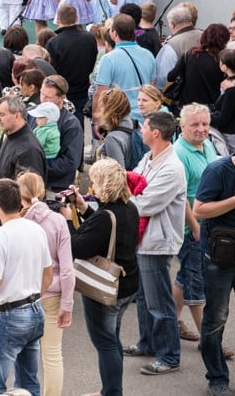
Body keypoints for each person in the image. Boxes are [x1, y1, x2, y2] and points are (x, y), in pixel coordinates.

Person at [61, 159, 140, 396]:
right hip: (127, 284)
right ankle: (110, 389)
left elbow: (78, 246)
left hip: (105, 290)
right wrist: (83, 207)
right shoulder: (128, 208)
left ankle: (112, 392)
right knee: (112, 338)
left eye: (94, 181)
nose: (91, 185)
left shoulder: (106, 217)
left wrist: (66, 219)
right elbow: (104, 227)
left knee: (105, 343)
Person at [0, 178, 52, 396]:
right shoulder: (36, 230)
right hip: (35, 309)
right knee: (29, 382)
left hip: (9, 315)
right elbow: (48, 272)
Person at [123, 111, 187, 375]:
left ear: (156, 133)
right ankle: (147, 342)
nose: (140, 130)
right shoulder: (149, 158)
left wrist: (124, 200)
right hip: (144, 239)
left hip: (157, 242)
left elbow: (145, 202)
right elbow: (131, 183)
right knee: (145, 296)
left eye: (144, 127)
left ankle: (169, 356)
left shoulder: (172, 168)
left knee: (160, 301)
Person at [17, 172, 74, 396]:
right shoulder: (58, 221)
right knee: (52, 355)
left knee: (21, 354)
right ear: (41, 192)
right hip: (53, 293)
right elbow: (68, 268)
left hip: (24, 295)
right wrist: (67, 305)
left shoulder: (17, 223)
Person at [195, 141, 235, 396]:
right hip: (219, 258)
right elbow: (199, 209)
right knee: (215, 319)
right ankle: (216, 378)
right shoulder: (219, 170)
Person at [170, 104, 218, 347]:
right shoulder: (180, 153)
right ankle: (210, 342)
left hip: (208, 223)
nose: (201, 129)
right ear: (182, 127)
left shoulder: (208, 145)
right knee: (197, 282)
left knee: (186, 273)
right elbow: (181, 197)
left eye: (204, 124)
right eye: (195, 125)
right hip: (191, 229)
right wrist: (195, 226)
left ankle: (173, 322)